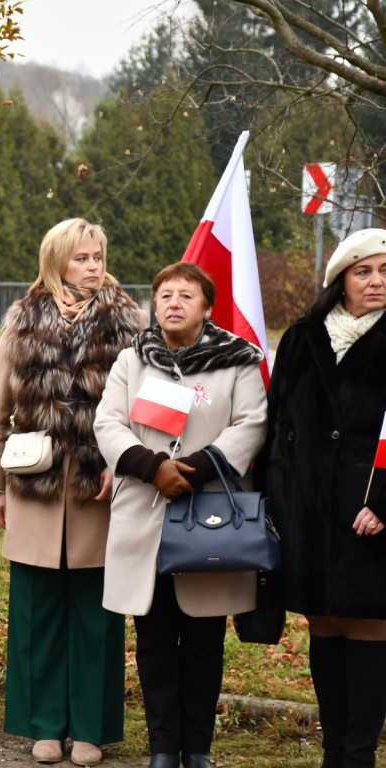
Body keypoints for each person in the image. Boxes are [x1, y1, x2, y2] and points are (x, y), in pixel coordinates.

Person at [0, 218, 146, 766]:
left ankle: (92, 730)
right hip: (34, 485)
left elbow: (143, 412)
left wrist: (124, 467)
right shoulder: (22, 319)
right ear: (56, 261)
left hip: (100, 489)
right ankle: (44, 725)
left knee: (96, 615)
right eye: (82, 258)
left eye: (99, 256)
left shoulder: (128, 321)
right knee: (36, 613)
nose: (94, 266)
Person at [94, 261, 267, 768]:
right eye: (164, 294)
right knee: (152, 640)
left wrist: (187, 470)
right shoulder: (133, 359)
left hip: (209, 514)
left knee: (203, 641)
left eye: (185, 295)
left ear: (207, 307)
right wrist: (152, 468)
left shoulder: (236, 361)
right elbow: (108, 422)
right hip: (144, 514)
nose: (173, 302)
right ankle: (163, 748)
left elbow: (250, 424)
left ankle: (199, 750)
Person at [258, 229, 386, 768]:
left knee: (369, 624)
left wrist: (385, 504)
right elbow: (277, 422)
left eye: (385, 272)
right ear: (341, 280)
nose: (376, 281)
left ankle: (358, 753)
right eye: (364, 271)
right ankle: (334, 750)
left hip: (370, 513)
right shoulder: (302, 337)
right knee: (325, 624)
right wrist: (277, 501)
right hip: (307, 512)